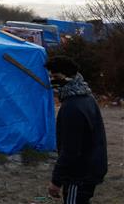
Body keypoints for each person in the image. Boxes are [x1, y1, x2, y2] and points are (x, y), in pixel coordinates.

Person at [45, 56, 107, 204]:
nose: (52, 82)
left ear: (67, 77)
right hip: (91, 168)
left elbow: (70, 150)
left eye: (55, 77)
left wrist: (56, 181)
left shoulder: (72, 107)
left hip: (79, 176)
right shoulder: (87, 97)